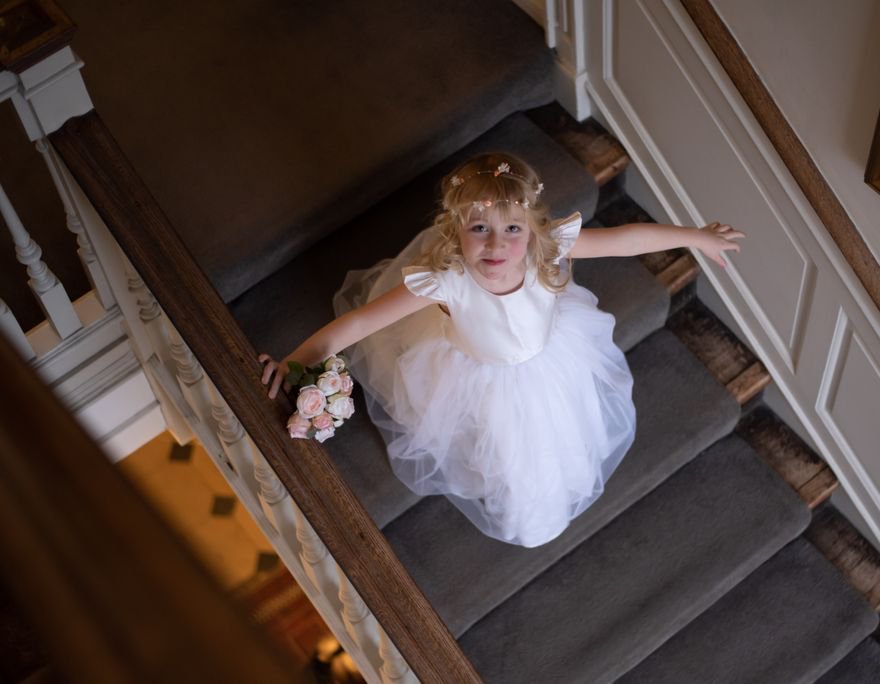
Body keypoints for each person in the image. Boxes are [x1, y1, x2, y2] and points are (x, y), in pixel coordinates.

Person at [260, 153, 744, 548]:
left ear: (531, 228)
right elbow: (361, 322)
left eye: (512, 229)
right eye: (479, 229)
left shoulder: (544, 249)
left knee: (562, 426)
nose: (496, 245)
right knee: (504, 446)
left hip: (550, 364)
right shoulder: (446, 281)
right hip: (482, 378)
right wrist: (296, 362)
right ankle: (524, 508)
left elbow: (623, 240)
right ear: (456, 229)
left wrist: (694, 237)